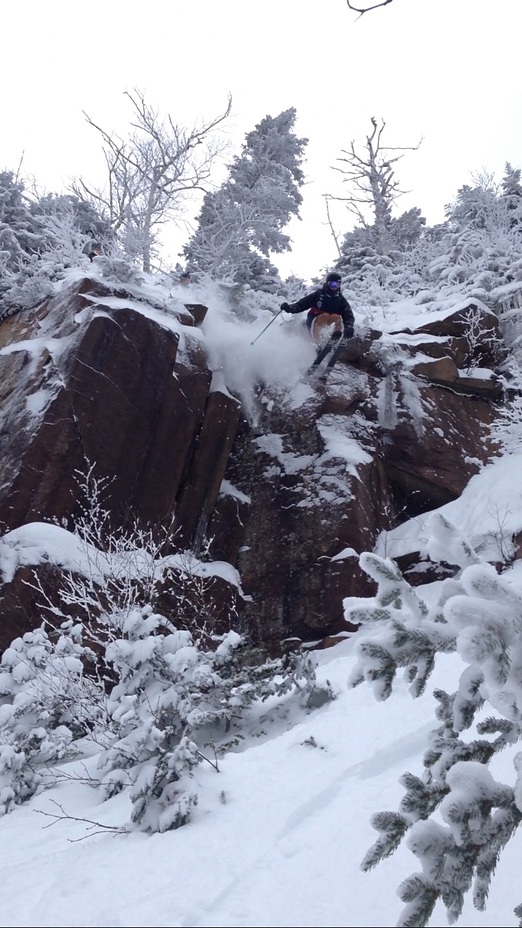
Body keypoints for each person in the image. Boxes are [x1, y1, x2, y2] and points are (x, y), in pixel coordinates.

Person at [280, 271, 354, 345]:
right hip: (315, 319)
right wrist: (289, 308)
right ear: (327, 283)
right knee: (325, 316)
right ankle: (318, 343)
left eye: (337, 285)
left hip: (330, 322)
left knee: (336, 317)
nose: (334, 287)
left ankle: (335, 338)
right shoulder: (318, 295)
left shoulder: (340, 300)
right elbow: (301, 304)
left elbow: (348, 314)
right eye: (332, 284)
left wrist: (349, 326)